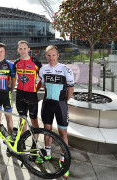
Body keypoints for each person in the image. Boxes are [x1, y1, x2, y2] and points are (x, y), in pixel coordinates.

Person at [37, 45, 74, 178]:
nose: (51, 58)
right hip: (47, 103)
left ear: (58, 55)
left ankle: (63, 159)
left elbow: (70, 88)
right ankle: (47, 154)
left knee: (63, 132)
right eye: (48, 55)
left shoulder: (66, 70)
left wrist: (64, 101)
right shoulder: (43, 70)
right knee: (47, 130)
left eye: (53, 55)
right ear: (46, 56)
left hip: (60, 105)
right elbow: (40, 84)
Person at [13, 40, 42, 143]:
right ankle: (22, 143)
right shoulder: (16, 63)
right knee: (22, 120)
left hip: (32, 94)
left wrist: (35, 90)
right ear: (18, 50)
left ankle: (35, 144)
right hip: (20, 94)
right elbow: (13, 78)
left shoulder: (36, 62)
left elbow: (42, 79)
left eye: (25, 48)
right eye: (20, 49)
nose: (23, 51)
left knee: (34, 120)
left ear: (29, 49)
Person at [0, 43, 15, 145]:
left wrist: (10, 91)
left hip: (6, 94)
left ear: (5, 52)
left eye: (1, 51)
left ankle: (10, 140)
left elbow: (14, 80)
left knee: (8, 117)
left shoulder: (10, 65)